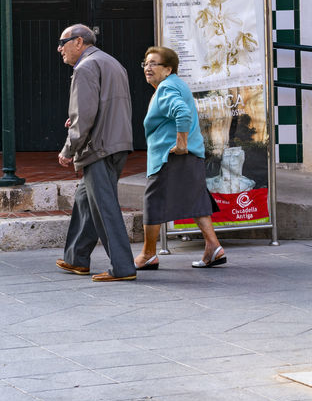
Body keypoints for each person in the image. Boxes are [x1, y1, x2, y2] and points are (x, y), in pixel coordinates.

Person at [56, 24, 137, 282]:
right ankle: (76, 258)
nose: (60, 48)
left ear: (79, 42)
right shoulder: (112, 62)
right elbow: (106, 106)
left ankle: (123, 267)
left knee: (104, 207)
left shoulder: (85, 67)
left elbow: (84, 116)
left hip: (98, 147)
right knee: (85, 201)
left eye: (63, 42)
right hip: (117, 142)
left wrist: (69, 148)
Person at [135, 46, 227, 270]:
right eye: (146, 63)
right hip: (189, 156)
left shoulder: (166, 88)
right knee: (196, 200)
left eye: (153, 64)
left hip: (170, 158)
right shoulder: (174, 84)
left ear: (168, 69)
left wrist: (181, 142)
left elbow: (182, 112)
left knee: (153, 201)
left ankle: (148, 254)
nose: (148, 68)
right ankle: (213, 247)